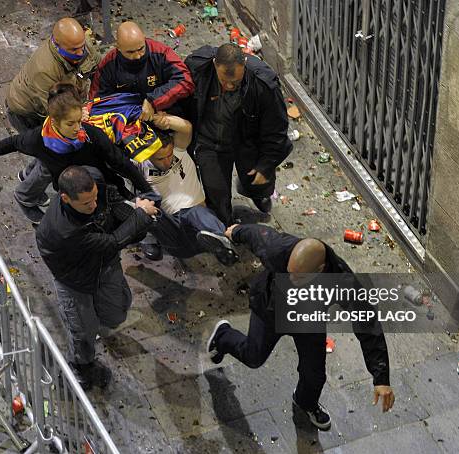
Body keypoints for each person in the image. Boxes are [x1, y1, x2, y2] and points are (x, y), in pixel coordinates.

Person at [206, 224, 394, 429]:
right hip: (271, 308)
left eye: (298, 278)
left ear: (320, 270)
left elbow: (367, 321)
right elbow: (254, 234)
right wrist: (235, 232)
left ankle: (306, 403)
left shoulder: (342, 280)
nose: (291, 281)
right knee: (253, 357)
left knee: (314, 375)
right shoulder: (276, 248)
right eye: (289, 273)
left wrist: (381, 377)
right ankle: (223, 336)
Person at [0, 83, 153, 225]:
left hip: (102, 185)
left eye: (79, 122)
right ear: (55, 122)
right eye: (70, 124)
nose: (77, 129)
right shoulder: (37, 140)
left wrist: (145, 190)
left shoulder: (91, 135)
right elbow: (12, 143)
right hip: (71, 193)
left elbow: (120, 163)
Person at [36, 166, 158, 389]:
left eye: (94, 198)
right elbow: (112, 242)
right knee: (83, 330)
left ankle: (95, 321)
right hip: (74, 279)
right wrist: (140, 215)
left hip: (103, 265)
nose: (93, 206)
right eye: (86, 204)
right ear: (65, 198)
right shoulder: (66, 231)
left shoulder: (93, 181)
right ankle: (81, 365)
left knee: (117, 311)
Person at [184, 43, 292, 225]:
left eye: (235, 82)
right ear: (214, 65)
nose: (229, 86)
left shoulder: (263, 84)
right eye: (224, 80)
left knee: (257, 182)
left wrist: (266, 164)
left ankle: (258, 194)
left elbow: (276, 129)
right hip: (209, 142)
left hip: (247, 141)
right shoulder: (197, 69)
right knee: (216, 194)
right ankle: (225, 229)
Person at [6, 18, 100, 220]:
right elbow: (56, 108)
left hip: (53, 106)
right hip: (27, 112)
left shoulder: (81, 44)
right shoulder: (45, 69)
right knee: (52, 160)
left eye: (81, 46)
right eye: (73, 50)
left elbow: (95, 67)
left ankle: (27, 177)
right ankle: (26, 196)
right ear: (57, 44)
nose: (80, 52)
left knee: (44, 155)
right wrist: (79, 112)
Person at [136, 112, 238, 265]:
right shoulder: (140, 163)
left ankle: (223, 245)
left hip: (199, 224)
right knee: (143, 207)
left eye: (169, 155)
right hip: (173, 229)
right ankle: (146, 238)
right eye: (160, 159)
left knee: (195, 212)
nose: (166, 162)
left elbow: (186, 128)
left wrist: (161, 119)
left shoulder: (180, 149)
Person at [88, 21, 194, 120]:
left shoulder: (161, 53)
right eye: (130, 52)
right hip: (126, 118)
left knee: (186, 127)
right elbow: (96, 103)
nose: (138, 56)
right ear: (118, 48)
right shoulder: (108, 65)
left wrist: (154, 101)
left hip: (162, 111)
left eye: (141, 49)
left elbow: (185, 81)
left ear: (144, 39)